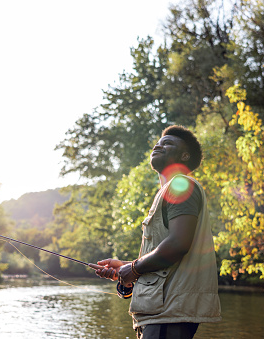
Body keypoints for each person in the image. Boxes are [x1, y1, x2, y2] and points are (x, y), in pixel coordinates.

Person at [90, 125, 221, 339]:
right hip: (162, 313)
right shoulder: (168, 191)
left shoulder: (180, 185)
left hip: (169, 313)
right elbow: (167, 257)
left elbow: (178, 244)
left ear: (184, 156)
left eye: (168, 143)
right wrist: (124, 268)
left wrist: (133, 269)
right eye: (158, 143)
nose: (159, 145)